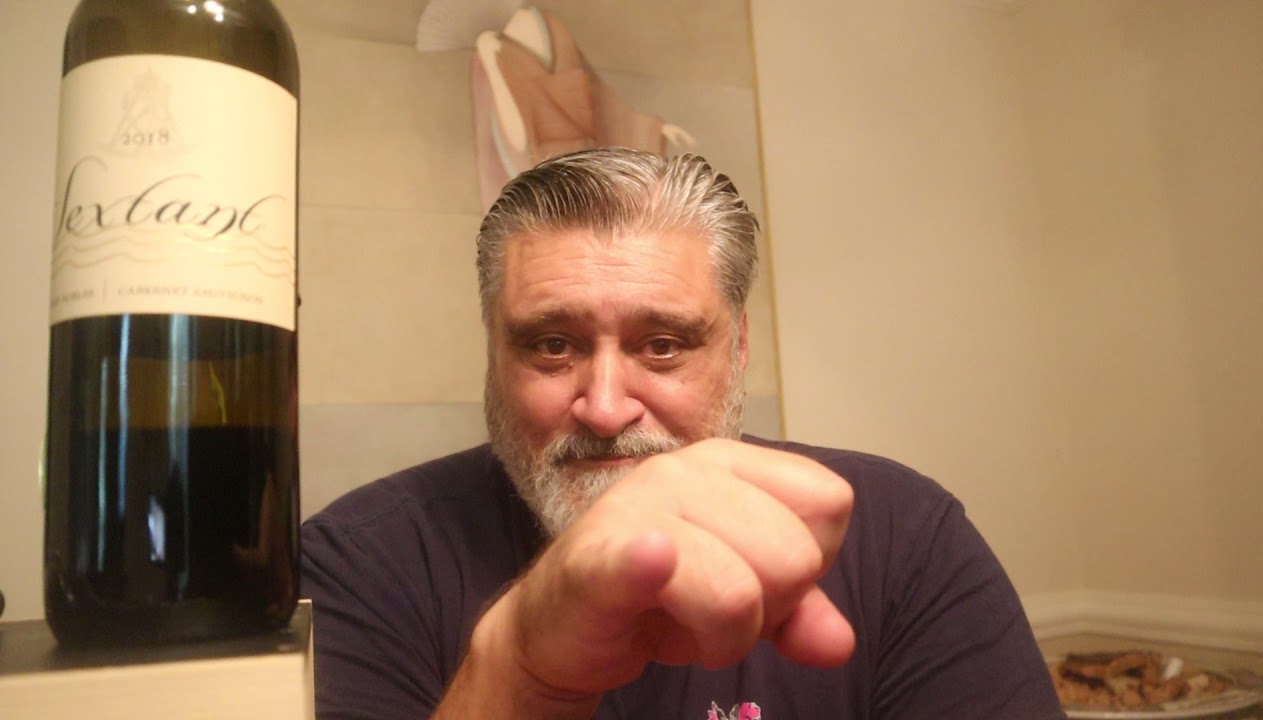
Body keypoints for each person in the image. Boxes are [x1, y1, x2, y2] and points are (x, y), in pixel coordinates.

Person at [300, 147, 1065, 719]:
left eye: (662, 345)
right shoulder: (360, 565)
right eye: (552, 345)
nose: (605, 409)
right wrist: (519, 669)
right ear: (494, 355)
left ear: (738, 348)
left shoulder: (904, 538)